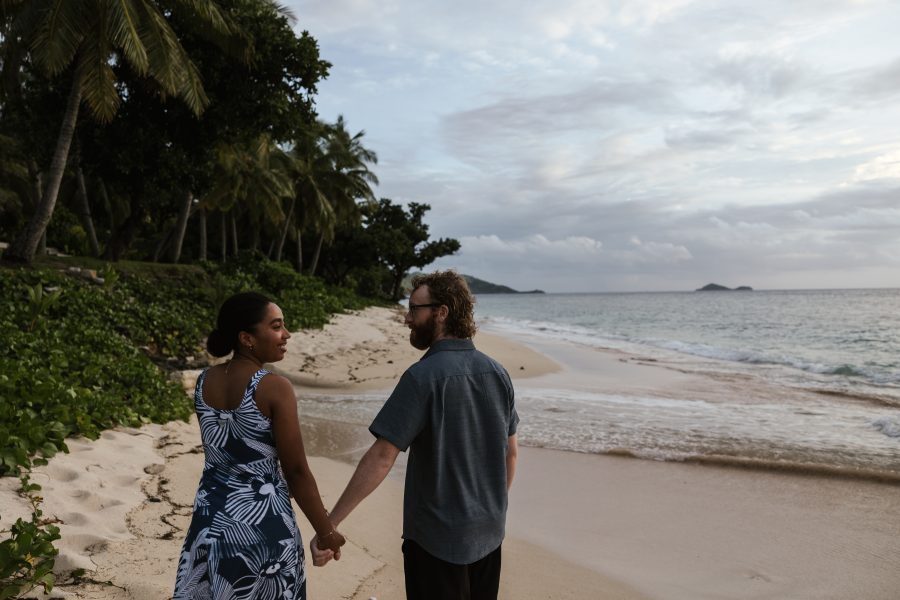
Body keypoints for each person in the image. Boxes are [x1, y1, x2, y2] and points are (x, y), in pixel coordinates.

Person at [314, 270, 519, 600]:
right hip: (489, 535)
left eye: (414, 309)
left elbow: (381, 458)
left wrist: (330, 524)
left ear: (441, 313)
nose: (407, 318)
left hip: (437, 542)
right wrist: (492, 509)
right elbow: (511, 453)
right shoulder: (498, 373)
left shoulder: (422, 378)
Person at [173, 291, 344, 599]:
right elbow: (296, 471)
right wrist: (327, 532)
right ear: (246, 338)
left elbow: (228, 451)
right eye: (277, 326)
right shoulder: (274, 388)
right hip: (262, 526)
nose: (286, 334)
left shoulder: (204, 380)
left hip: (210, 521)